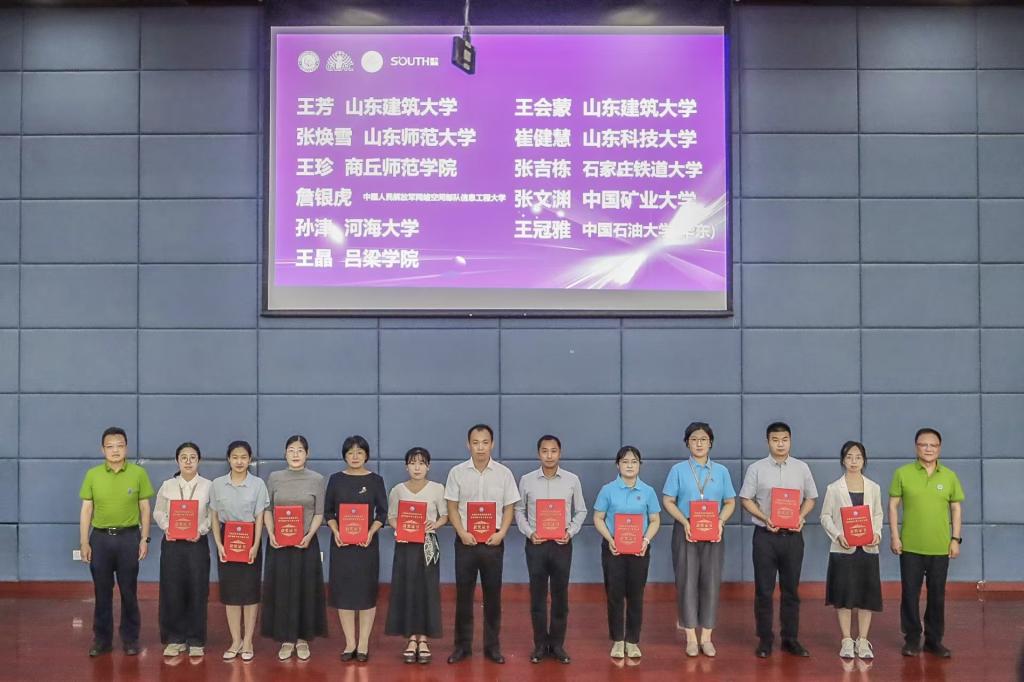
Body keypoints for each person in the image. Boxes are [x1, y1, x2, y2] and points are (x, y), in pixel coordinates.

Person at [738, 421, 818, 658]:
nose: (780, 444)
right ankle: (765, 639)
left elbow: (811, 498)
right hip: (765, 536)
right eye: (775, 440)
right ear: (768, 442)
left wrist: (801, 516)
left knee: (791, 590)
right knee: (764, 590)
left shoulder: (802, 468)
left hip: (793, 537)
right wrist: (765, 517)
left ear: (790, 441)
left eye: (784, 439)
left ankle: (790, 638)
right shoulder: (756, 468)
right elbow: (745, 499)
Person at [444, 424, 521, 664]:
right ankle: (462, 647)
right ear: (468, 444)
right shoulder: (457, 472)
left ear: (492, 444)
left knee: (493, 596)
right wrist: (461, 532)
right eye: (475, 442)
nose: (480, 447)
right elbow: (452, 507)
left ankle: (492, 647)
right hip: (465, 542)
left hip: (493, 542)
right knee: (463, 596)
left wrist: (502, 533)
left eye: (485, 442)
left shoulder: (504, 473)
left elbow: (509, 507)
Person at [661, 422, 736, 657]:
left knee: (711, 581)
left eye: (703, 439)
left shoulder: (721, 471)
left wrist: (720, 521)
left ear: (710, 442)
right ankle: (691, 638)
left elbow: (730, 502)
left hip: (714, 531)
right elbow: (668, 501)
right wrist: (685, 522)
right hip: (686, 529)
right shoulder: (678, 470)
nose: (699, 443)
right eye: (694, 439)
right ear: (687, 443)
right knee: (687, 582)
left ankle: (707, 638)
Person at [79, 426, 155, 657]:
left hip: (129, 538)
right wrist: (84, 542)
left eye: (120, 446)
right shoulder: (93, 474)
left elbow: (145, 508)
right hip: (100, 539)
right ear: (102, 449)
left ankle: (130, 639)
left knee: (129, 591)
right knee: (102, 592)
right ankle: (102, 640)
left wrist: (145, 539)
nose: (115, 450)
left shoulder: (138, 473)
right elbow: (86, 509)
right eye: (110, 446)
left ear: (126, 448)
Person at [889, 427, 964, 658]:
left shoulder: (949, 476)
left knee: (937, 595)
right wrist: (895, 536)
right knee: (909, 594)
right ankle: (912, 639)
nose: (928, 449)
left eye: (933, 445)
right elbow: (893, 506)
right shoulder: (902, 473)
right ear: (916, 447)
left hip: (940, 547)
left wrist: (955, 539)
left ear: (939, 448)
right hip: (910, 546)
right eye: (923, 444)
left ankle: (934, 640)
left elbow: (956, 508)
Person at [514, 435, 587, 664]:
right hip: (536, 544)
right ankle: (539, 645)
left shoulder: (572, 480)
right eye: (544, 451)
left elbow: (581, 511)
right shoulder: (526, 480)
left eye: (553, 451)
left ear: (560, 453)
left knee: (560, 596)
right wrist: (529, 532)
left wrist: (570, 531)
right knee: (537, 596)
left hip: (561, 545)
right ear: (538, 454)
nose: (549, 455)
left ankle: (557, 645)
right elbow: (519, 510)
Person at [262, 435, 328, 661]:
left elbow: (319, 512)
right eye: (291, 450)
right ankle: (286, 639)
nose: (296, 454)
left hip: (306, 543)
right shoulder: (275, 477)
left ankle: (302, 639)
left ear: (307, 454)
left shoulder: (317, 479)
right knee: (282, 589)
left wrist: (309, 535)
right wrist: (271, 533)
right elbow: (268, 509)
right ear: (285, 453)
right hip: (279, 543)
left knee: (305, 589)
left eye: (300, 450)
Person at [593, 445, 661, 660]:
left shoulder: (648, 491)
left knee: (636, 595)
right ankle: (617, 640)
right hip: (613, 549)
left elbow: (655, 520)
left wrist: (646, 540)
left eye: (634, 462)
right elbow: (598, 518)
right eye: (625, 462)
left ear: (640, 465)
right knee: (614, 595)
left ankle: (632, 641)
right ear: (618, 465)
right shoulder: (608, 490)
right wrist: (610, 539)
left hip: (639, 550)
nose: (630, 466)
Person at [325, 435, 388, 663]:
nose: (355, 456)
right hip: (341, 545)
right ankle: (350, 643)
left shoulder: (375, 480)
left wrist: (371, 532)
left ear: (366, 455)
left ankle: (363, 644)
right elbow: (328, 512)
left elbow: (383, 513)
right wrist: (336, 531)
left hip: (366, 546)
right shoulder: (335, 480)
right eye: (350, 452)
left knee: (365, 593)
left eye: (359, 452)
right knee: (344, 593)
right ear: (344, 455)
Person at [819, 441, 883, 660]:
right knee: (843, 595)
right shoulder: (833, 488)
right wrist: (838, 535)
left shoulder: (873, 487)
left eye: (858, 457)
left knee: (866, 595)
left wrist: (877, 533)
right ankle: (846, 639)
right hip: (843, 549)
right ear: (842, 460)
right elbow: (825, 516)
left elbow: (878, 514)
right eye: (849, 457)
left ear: (864, 460)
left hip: (868, 548)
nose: (854, 461)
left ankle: (863, 640)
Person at [384, 446, 449, 664]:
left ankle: (424, 639)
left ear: (428, 466)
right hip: (405, 545)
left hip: (428, 545)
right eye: (413, 463)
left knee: (427, 590)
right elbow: (391, 517)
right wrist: (400, 528)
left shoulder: (437, 489)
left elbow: (445, 516)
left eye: (421, 463)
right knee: (407, 589)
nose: (417, 467)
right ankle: (411, 638)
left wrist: (435, 524)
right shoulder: (398, 490)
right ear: (406, 467)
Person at [210, 440, 268, 661]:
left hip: (250, 539)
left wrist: (255, 544)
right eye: (235, 457)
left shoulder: (258, 484)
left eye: (244, 457)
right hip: (227, 540)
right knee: (231, 593)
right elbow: (214, 516)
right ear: (228, 459)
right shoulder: (217, 484)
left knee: (250, 593)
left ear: (250, 459)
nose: (239, 461)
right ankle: (235, 641)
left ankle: (248, 641)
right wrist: (219, 544)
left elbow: (260, 517)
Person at [154, 442, 212, 657]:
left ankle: (196, 639)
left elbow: (212, 515)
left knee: (198, 589)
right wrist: (167, 527)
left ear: (199, 460)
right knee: (172, 589)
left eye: (193, 457)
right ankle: (175, 638)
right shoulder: (167, 485)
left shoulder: (208, 486)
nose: (188, 461)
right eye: (184, 457)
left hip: (197, 543)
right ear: (177, 461)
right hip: (172, 543)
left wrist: (201, 530)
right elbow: (158, 511)